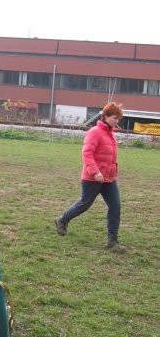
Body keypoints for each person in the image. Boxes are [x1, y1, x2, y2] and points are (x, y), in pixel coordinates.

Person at [55, 102, 125, 251]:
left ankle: (112, 241)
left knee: (115, 206)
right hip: (92, 177)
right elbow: (87, 154)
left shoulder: (110, 133)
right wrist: (95, 172)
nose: (116, 121)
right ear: (105, 116)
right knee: (84, 204)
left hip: (109, 178)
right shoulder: (94, 132)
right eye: (114, 118)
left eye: (118, 118)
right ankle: (62, 220)